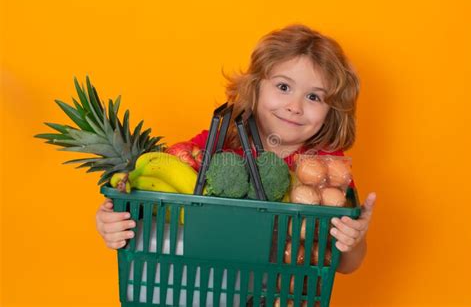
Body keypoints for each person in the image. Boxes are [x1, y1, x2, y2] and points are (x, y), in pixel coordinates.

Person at [96, 24, 376, 274]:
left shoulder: (327, 168)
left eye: (313, 96)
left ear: (332, 111)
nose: (295, 106)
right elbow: (158, 193)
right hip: (207, 282)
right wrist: (113, 220)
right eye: (283, 87)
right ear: (255, 88)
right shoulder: (216, 144)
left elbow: (345, 265)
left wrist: (354, 240)